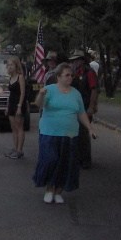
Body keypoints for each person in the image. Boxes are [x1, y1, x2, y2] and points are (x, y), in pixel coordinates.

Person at [33, 63, 97, 204]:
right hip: (49, 132)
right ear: (58, 77)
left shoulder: (75, 93)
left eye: (71, 75)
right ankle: (49, 189)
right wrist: (41, 94)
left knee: (65, 162)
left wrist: (89, 127)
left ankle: (58, 191)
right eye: (67, 75)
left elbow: (80, 112)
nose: (70, 78)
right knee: (50, 159)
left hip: (69, 133)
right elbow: (39, 104)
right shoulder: (49, 90)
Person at [69, 49, 98, 169]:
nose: (75, 62)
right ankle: (78, 158)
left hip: (85, 106)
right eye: (73, 60)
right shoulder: (74, 73)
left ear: (81, 60)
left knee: (83, 133)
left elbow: (94, 89)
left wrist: (91, 107)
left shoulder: (88, 72)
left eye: (77, 60)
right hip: (75, 106)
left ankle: (86, 159)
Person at [4, 57, 26, 159]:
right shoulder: (10, 77)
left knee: (19, 126)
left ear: (16, 66)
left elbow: (22, 93)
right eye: (8, 65)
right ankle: (15, 147)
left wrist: (19, 106)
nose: (10, 67)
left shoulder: (20, 77)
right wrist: (7, 107)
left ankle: (19, 149)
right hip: (11, 103)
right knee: (13, 127)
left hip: (18, 104)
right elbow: (10, 94)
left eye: (12, 65)